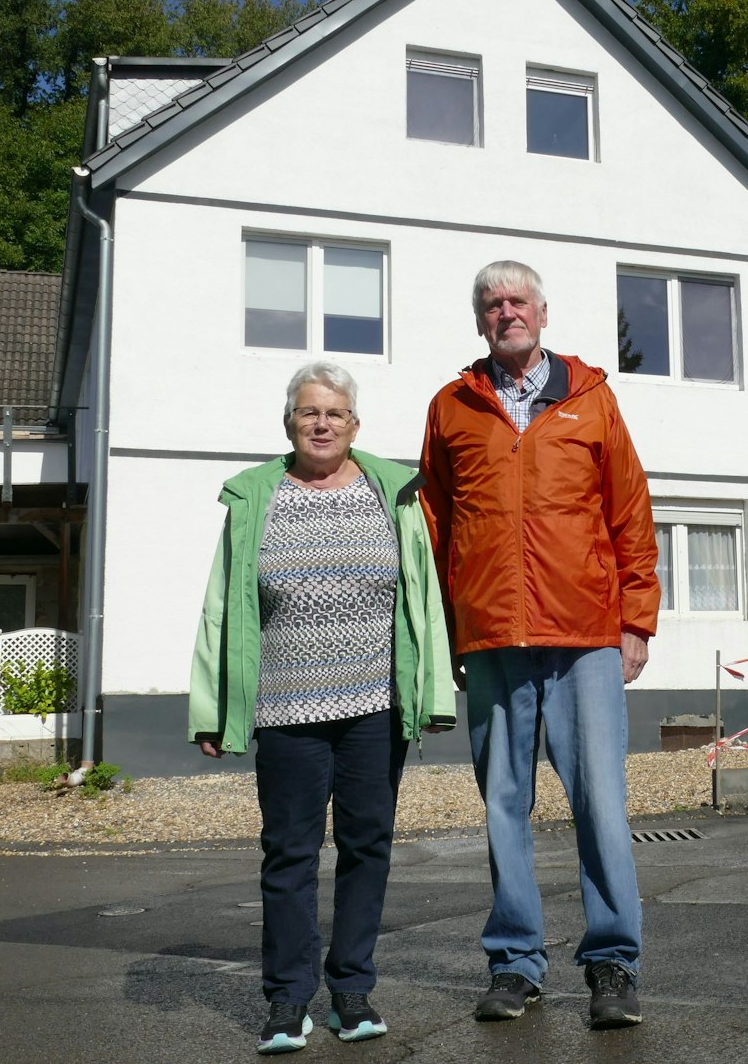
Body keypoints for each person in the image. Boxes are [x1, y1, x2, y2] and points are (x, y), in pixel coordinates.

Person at [189, 361, 457, 1055]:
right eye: (309, 412)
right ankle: (286, 1000)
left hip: (374, 705)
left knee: (367, 846)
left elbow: (422, 595)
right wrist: (212, 706)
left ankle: (352, 988)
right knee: (289, 853)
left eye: (334, 413)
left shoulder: (391, 489)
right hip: (285, 711)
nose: (321, 423)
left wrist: (430, 691)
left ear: (354, 425)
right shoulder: (256, 496)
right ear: (289, 423)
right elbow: (223, 606)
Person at [418, 260, 660, 1030]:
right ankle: (515, 965)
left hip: (585, 630)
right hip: (492, 634)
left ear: (543, 313)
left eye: (517, 299)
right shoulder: (452, 407)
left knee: (600, 802)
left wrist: (635, 620)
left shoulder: (591, 401)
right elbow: (435, 523)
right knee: (504, 805)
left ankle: (612, 962)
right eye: (491, 303)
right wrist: (449, 628)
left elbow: (632, 513)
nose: (505, 311)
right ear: (480, 321)